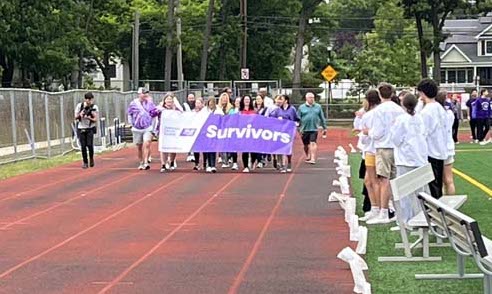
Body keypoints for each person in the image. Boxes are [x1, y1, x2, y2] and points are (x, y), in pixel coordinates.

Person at [366, 82, 403, 224]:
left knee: (384, 180)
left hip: (383, 147)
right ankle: (396, 210)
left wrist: (368, 132)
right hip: (396, 147)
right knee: (393, 179)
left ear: (380, 94)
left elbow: (377, 132)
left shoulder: (379, 111)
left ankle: (384, 212)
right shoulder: (398, 109)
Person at [390, 93, 429, 223]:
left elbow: (395, 139)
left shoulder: (402, 119)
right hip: (420, 157)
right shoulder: (419, 118)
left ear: (403, 104)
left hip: (405, 158)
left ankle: (406, 220)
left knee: (404, 193)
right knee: (420, 192)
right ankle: (421, 217)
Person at [419, 78, 448, 199]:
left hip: (431, 152)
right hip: (439, 150)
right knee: (437, 185)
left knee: (433, 188)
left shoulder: (427, 111)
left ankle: (435, 214)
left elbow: (423, 133)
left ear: (422, 93)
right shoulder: (439, 108)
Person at [359, 90, 381, 222]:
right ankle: (374, 208)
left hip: (373, 150)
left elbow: (365, 137)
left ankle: (379, 208)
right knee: (368, 181)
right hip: (371, 150)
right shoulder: (371, 114)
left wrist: (365, 134)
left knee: (374, 181)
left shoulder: (369, 116)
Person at [127, 87, 156, 170]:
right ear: (139, 94)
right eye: (143, 93)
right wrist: (131, 124)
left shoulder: (150, 103)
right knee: (139, 147)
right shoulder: (133, 103)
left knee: (146, 143)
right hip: (137, 128)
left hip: (147, 127)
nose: (145, 95)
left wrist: (153, 126)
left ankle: (146, 162)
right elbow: (129, 113)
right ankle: (141, 162)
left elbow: (154, 114)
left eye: (146, 93)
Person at [269, 95, 299, 173]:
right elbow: (271, 117)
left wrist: (295, 124)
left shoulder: (292, 109)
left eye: (281, 100)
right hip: (280, 131)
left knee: (287, 148)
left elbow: (296, 118)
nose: (279, 101)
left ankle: (289, 162)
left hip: (288, 132)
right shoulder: (277, 110)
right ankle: (281, 164)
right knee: (280, 148)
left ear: (286, 101)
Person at [297, 92, 327, 165]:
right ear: (306, 98)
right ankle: (308, 155)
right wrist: (298, 128)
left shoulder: (318, 107)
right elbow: (298, 118)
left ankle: (313, 158)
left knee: (313, 142)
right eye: (310, 97)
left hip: (314, 128)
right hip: (304, 129)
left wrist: (324, 127)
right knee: (306, 144)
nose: (312, 99)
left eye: (313, 97)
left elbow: (322, 117)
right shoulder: (301, 107)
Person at [436, 91, 456, 195]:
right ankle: (451, 205)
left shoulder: (437, 114)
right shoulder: (449, 113)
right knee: (449, 179)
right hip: (448, 147)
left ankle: (442, 204)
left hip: (438, 149)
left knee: (439, 180)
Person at [75, 92, 99, 169]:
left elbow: (95, 119)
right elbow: (75, 117)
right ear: (85, 99)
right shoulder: (80, 106)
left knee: (89, 145)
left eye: (90, 99)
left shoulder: (94, 107)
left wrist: (89, 117)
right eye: (87, 99)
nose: (89, 101)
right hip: (81, 127)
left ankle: (91, 158)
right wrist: (81, 115)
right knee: (83, 146)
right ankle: (85, 162)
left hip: (90, 128)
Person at [204, 97, 224, 173]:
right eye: (210, 103)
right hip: (206, 132)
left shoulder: (218, 110)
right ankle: (208, 165)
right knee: (207, 150)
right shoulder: (205, 110)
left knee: (213, 149)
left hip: (215, 132)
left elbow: (222, 119)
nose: (211, 104)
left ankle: (213, 165)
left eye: (212, 103)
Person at [239, 95, 257, 173]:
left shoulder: (254, 111)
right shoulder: (240, 111)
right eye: (245, 99)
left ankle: (253, 161)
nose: (247, 101)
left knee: (253, 150)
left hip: (253, 133)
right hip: (243, 133)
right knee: (245, 150)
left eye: (248, 99)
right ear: (243, 101)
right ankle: (245, 166)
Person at [192, 97, 206, 171]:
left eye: (198, 103)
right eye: (196, 103)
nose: (197, 105)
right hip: (196, 132)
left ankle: (205, 163)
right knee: (196, 149)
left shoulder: (205, 111)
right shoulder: (193, 112)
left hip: (204, 132)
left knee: (204, 149)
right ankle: (196, 163)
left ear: (202, 104)